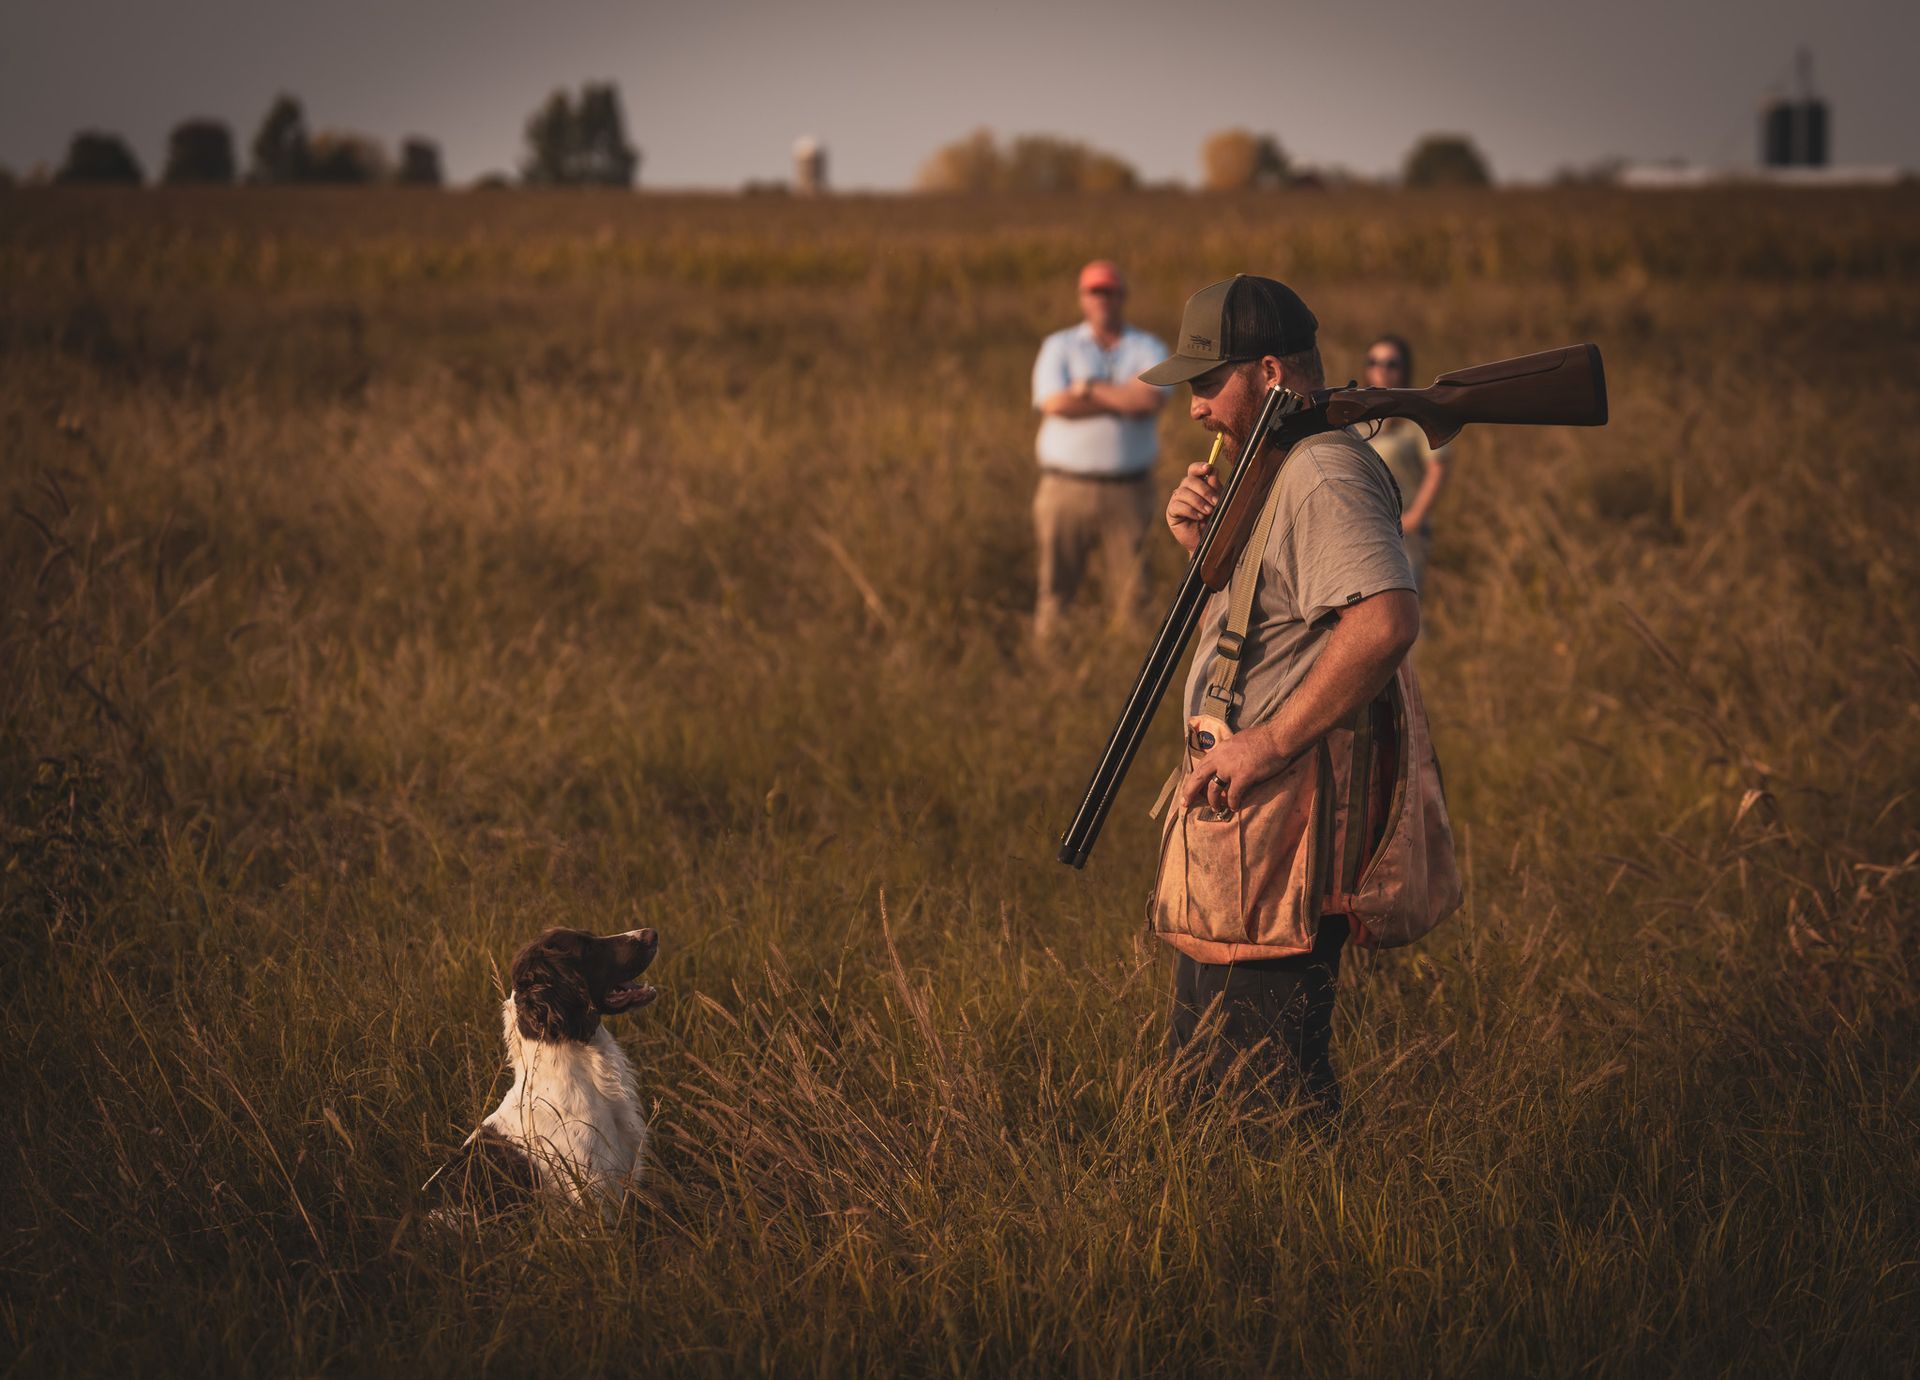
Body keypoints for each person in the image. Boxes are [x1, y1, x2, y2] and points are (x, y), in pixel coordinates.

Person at [1139, 275, 1421, 1124]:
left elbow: (1385, 621)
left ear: (1267, 371)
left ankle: (1306, 1243)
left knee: (1269, 1090)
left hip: (1284, 819)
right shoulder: (1276, 466)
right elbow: (1269, 622)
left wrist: (1267, 743)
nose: (1191, 409)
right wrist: (1204, 550)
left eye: (1203, 382)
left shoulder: (1323, 470)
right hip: (1243, 821)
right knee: (1211, 1073)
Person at [1029, 260, 1169, 641]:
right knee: (1056, 590)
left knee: (1133, 593)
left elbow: (1150, 400)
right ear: (1083, 298)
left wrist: (1088, 388)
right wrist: (1122, 396)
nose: (1103, 299)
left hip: (1128, 488)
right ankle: (1050, 669)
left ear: (1122, 296)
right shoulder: (1059, 345)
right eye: (1095, 291)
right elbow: (1055, 404)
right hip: (1064, 488)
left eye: (1110, 291)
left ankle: (1131, 676)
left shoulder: (1148, 346)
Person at [1359, 334, 1451, 591]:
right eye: (1374, 362)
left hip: (1403, 530)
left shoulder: (1416, 417)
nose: (1381, 370)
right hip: (1364, 527)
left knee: (1404, 604)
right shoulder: (1357, 415)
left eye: (1391, 364)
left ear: (1404, 369)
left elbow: (1438, 468)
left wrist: (1416, 517)